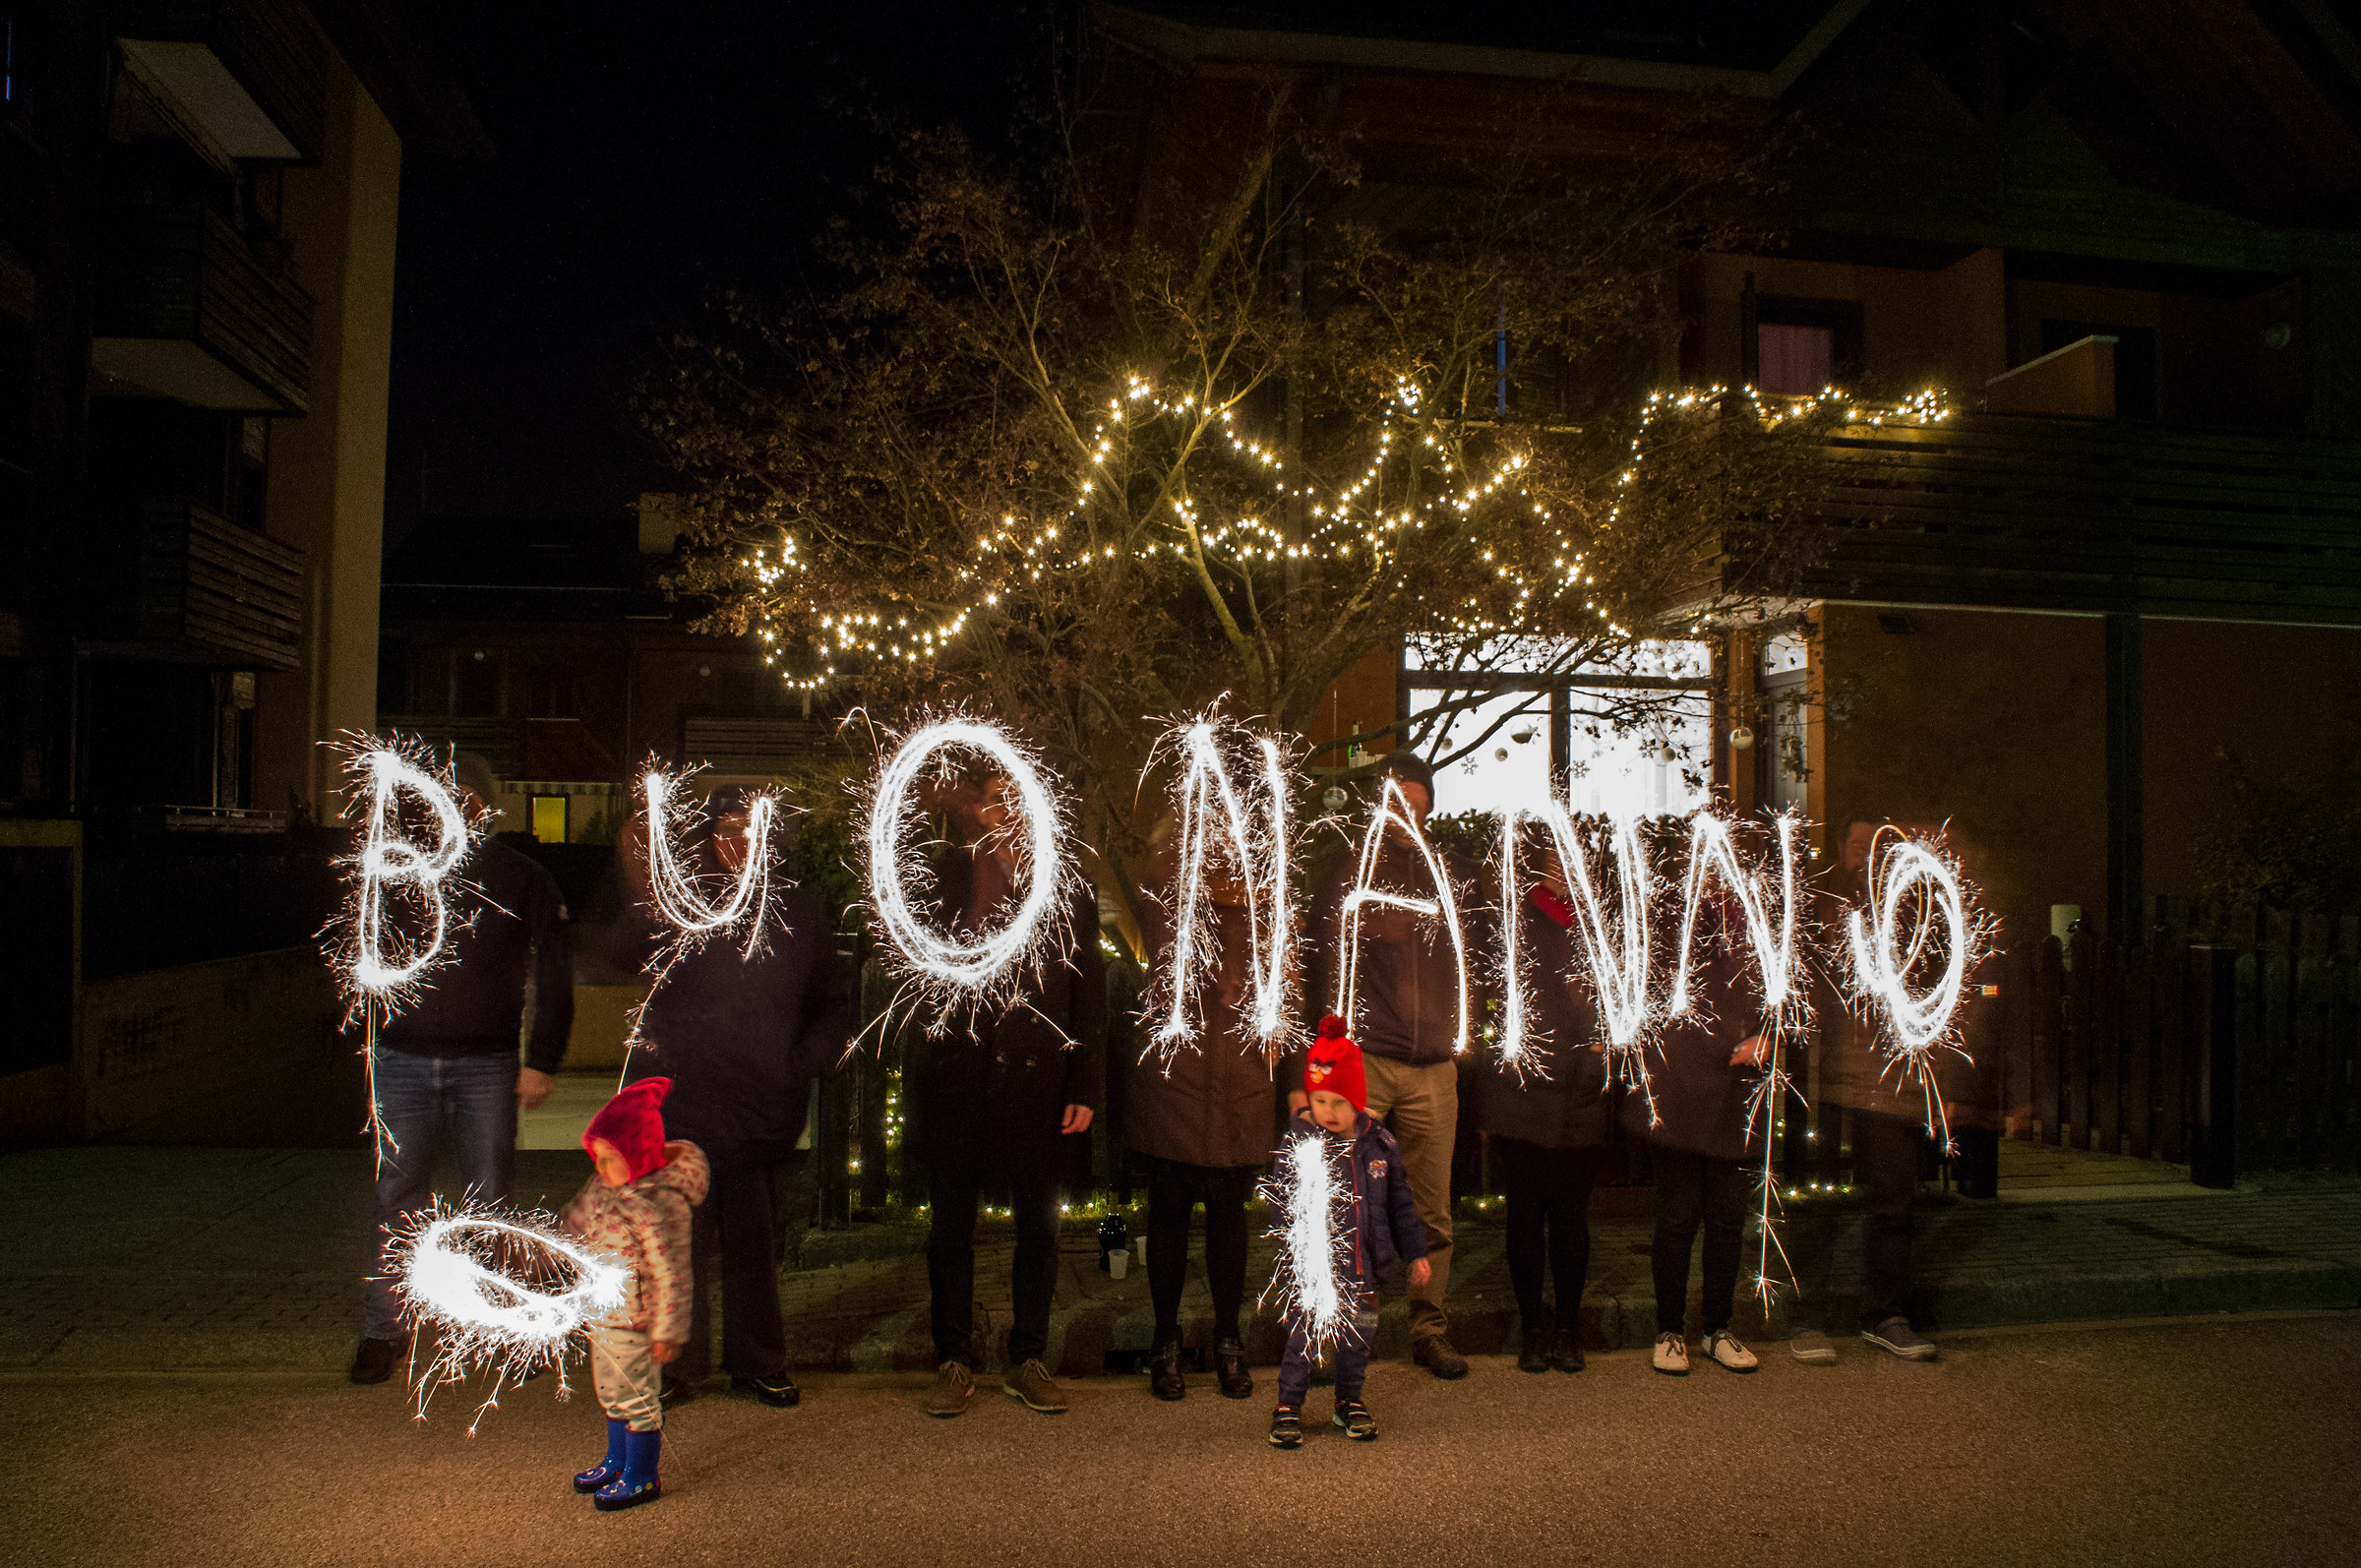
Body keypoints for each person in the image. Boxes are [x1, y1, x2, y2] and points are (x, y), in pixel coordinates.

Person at [614, 788, 856, 1410]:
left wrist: (798, 1062)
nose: (737, 841)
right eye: (724, 829)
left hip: (759, 1107)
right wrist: (636, 873)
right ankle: (677, 1365)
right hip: (684, 1108)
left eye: (748, 828)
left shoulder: (799, 912)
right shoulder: (680, 906)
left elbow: (833, 1001)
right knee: (678, 1246)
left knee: (754, 1243)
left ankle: (758, 1362)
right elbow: (621, 954)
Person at [351, 751, 574, 1386]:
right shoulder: (397, 872)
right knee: (397, 1198)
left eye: (467, 798)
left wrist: (543, 1059)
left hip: (486, 1064)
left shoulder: (521, 877)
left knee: (491, 1204)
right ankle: (383, 1331)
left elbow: (556, 972)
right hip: (404, 1059)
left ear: (485, 805)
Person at [913, 772, 1106, 1418]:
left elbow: (1089, 995)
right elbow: (922, 963)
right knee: (951, 1230)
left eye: (1018, 798)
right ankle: (954, 1359)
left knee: (1038, 1228)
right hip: (961, 1081)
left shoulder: (1068, 887)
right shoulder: (949, 876)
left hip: (1038, 1083)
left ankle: (1028, 1356)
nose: (1007, 810)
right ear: (981, 809)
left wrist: (1083, 1083)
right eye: (996, 798)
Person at [1298, 749, 1472, 1379]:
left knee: (1432, 1209)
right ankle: (1336, 1328)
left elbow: (1472, 955)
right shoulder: (1349, 869)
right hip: (1367, 1059)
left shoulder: (1447, 874)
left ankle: (1428, 1329)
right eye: (1397, 799)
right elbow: (1321, 960)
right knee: (1348, 1199)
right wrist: (1324, 1061)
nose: (1407, 812)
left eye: (1418, 801)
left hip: (1434, 1066)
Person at [1788, 819, 1966, 1365]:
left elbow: (1944, 1004)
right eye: (1856, 843)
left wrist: (1943, 1084)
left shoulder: (1915, 916)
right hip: (1824, 1087)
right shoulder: (1818, 911)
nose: (1865, 852)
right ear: (1842, 851)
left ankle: (1887, 1315)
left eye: (1874, 844)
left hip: (1891, 1088)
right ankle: (1805, 1318)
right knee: (1812, 1206)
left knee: (1892, 1204)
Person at [1125, 834, 1281, 1402]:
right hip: (1177, 1074)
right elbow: (1163, 956)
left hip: (1240, 1078)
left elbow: (1283, 979)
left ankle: (1228, 1339)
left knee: (1227, 1213)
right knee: (1168, 1210)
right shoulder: (1169, 877)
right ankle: (1165, 1341)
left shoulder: (1264, 892)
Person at [1474, 846, 1611, 1374]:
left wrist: (1601, 1046)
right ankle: (1533, 1327)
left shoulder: (1603, 927)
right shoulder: (1513, 921)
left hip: (1582, 1092)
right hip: (1522, 1092)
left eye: (1570, 861)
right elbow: (1488, 991)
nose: (1562, 871)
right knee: (1526, 1214)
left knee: (1573, 1218)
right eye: (1552, 861)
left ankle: (1567, 1327)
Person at [1269, 1017, 1428, 1449]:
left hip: (1365, 1270)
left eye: (1340, 1102)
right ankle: (1288, 1405)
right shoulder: (1303, 1140)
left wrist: (1416, 1253)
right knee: (1303, 1337)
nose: (1329, 1112)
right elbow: (1280, 1195)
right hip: (1315, 1271)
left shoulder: (1381, 1144)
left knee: (1358, 1338)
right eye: (1320, 1100)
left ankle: (1349, 1399)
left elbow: (1400, 1205)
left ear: (1358, 1098)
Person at [1630, 886, 1768, 1377]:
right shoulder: (1667, 925)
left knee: (1728, 1221)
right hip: (1679, 1098)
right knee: (1678, 1220)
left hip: (1737, 1098)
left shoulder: (1757, 927)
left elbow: (1786, 1000)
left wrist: (1766, 1033)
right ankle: (1669, 1330)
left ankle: (1717, 1328)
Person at [559, 1076, 708, 1512]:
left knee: (638, 1397)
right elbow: (574, 1223)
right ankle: (617, 1461)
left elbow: (673, 1274)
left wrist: (669, 1331)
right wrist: (544, 1250)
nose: (600, 1168)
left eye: (609, 1158)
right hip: (602, 1313)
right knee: (611, 1390)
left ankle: (642, 1476)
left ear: (638, 1153)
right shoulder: (603, 1187)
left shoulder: (659, 1205)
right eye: (597, 1158)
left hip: (637, 1320)